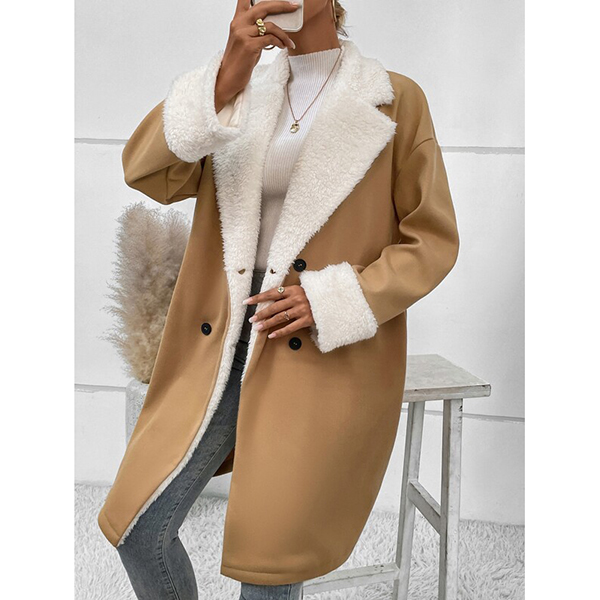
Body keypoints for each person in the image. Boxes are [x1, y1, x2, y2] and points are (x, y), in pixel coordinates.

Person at [98, 1, 460, 599]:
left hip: (314, 348)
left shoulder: (394, 98)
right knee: (136, 526)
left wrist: (333, 298)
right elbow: (145, 171)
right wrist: (227, 74)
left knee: (268, 563)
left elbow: (432, 241)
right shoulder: (243, 92)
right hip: (218, 339)